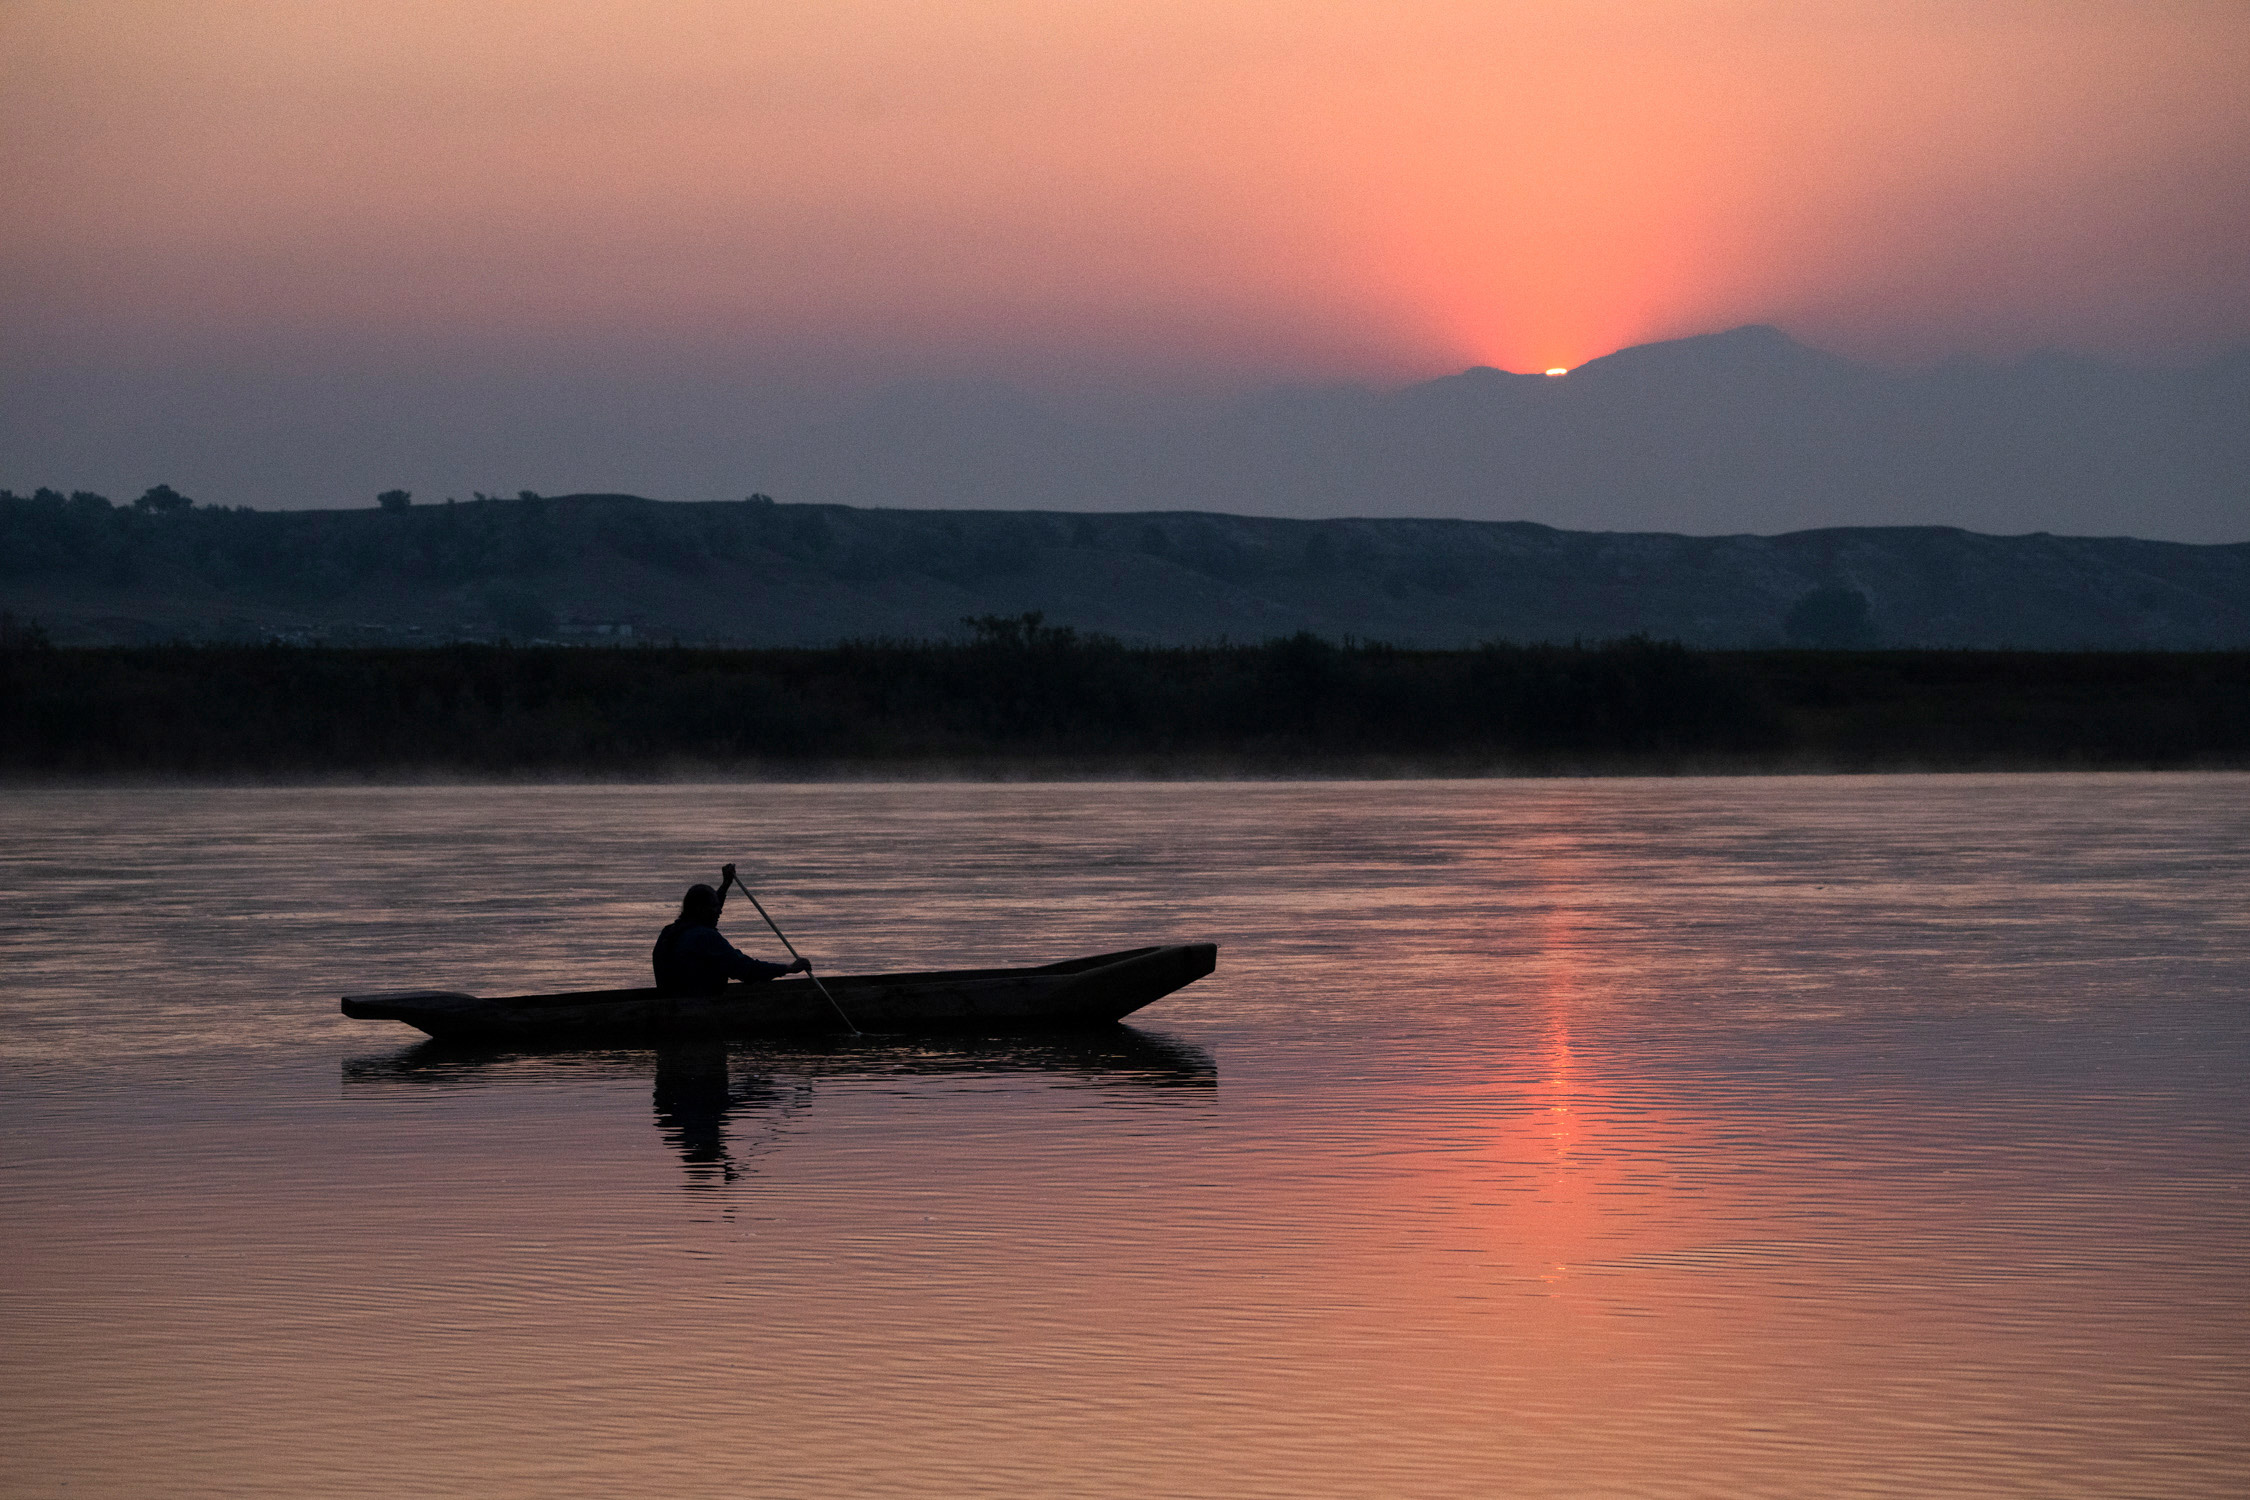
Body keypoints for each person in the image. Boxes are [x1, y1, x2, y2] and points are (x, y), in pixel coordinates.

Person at [652, 863, 811, 995]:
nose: (720, 911)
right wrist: (788, 968)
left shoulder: (670, 931)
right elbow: (745, 969)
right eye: (714, 907)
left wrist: (726, 884)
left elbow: (707, 916)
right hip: (698, 1006)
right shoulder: (705, 937)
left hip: (672, 1001)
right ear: (700, 909)